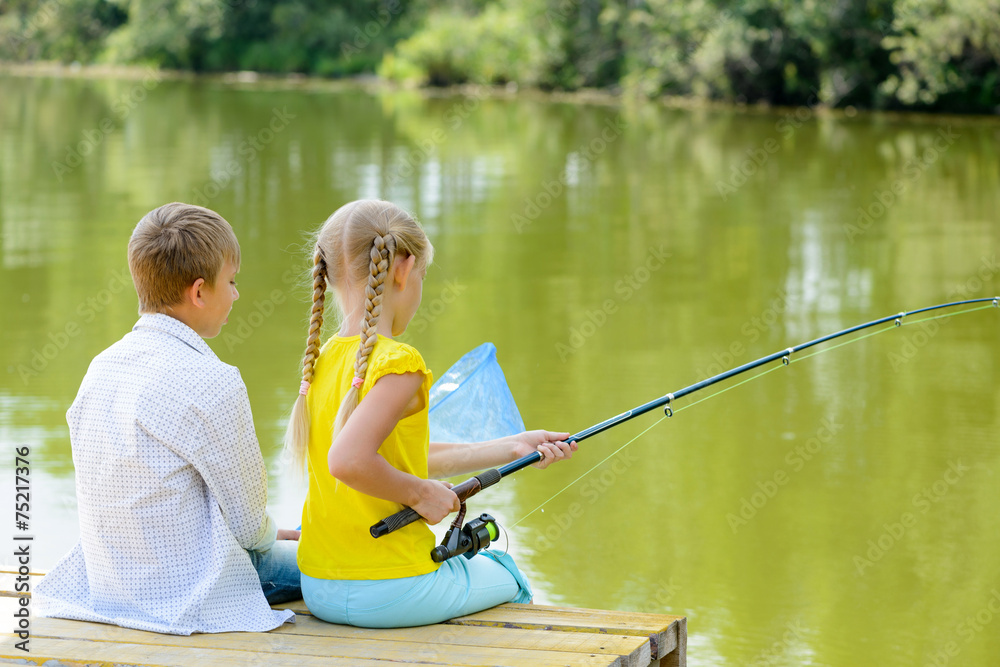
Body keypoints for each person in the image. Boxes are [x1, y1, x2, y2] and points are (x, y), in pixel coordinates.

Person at [283, 199, 577, 628]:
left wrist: (512, 446)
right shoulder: (399, 363)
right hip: (394, 588)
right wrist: (421, 495)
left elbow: (391, 460)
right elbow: (347, 461)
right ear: (403, 269)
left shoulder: (321, 361)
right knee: (510, 575)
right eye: (422, 275)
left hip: (320, 586)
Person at [35, 203, 300, 635]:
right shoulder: (214, 381)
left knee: (299, 532)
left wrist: (273, 531)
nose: (236, 294)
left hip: (110, 583)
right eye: (230, 283)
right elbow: (250, 528)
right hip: (188, 592)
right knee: (339, 557)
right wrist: (274, 533)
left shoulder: (100, 367)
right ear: (199, 293)